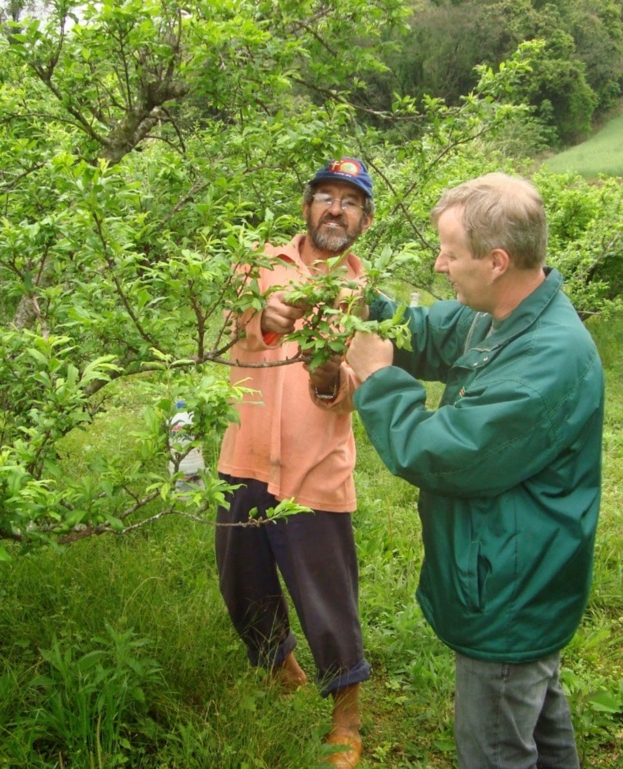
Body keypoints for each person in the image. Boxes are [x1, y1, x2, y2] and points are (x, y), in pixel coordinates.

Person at [345, 172, 604, 769]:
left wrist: (380, 381)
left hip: (509, 587)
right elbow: (432, 334)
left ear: (495, 260)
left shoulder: (547, 358)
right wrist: (367, 311)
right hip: (518, 574)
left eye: (450, 252)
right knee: (535, 709)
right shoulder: (502, 313)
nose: (439, 264)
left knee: (495, 742)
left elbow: (446, 452)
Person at [216, 157, 375, 768]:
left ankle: (348, 715)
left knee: (327, 594)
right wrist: (262, 319)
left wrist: (334, 376)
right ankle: (281, 669)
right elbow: (225, 330)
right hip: (245, 453)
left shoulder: (364, 292)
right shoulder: (256, 264)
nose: (337, 209)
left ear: (363, 219)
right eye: (327, 197)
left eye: (351, 201)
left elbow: (366, 384)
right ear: (306, 206)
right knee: (242, 580)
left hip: (316, 465)